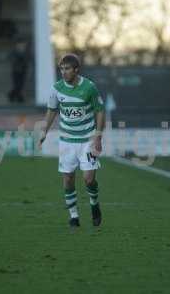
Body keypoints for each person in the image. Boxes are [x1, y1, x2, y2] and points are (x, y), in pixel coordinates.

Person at [39, 54, 105, 227]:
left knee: (89, 179)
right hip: (67, 141)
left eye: (67, 68)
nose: (64, 72)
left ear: (76, 70)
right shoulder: (56, 89)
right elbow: (52, 110)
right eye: (61, 68)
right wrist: (44, 131)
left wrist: (98, 135)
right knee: (68, 179)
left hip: (87, 139)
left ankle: (94, 204)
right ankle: (74, 216)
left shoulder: (89, 87)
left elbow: (99, 111)